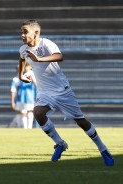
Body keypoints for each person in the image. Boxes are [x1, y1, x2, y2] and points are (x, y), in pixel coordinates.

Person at [18, 19, 114, 166]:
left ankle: (103, 149)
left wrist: (40, 59)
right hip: (45, 92)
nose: (22, 35)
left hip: (62, 91)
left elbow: (59, 56)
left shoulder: (47, 43)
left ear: (36, 32)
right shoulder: (23, 49)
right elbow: (22, 59)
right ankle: (60, 143)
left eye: (25, 32)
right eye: (21, 32)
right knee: (37, 113)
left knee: (80, 121)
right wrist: (21, 74)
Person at [9, 63, 36, 129]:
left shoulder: (32, 74)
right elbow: (13, 89)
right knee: (22, 112)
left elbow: (36, 84)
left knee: (29, 111)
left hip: (29, 97)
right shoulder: (18, 77)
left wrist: (32, 77)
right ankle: (23, 127)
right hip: (21, 97)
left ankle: (28, 127)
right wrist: (12, 101)